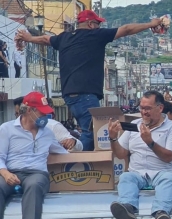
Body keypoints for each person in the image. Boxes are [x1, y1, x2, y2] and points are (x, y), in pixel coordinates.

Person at [15, 10, 164, 151]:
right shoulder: (96, 35)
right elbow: (126, 29)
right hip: (85, 95)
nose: (99, 27)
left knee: (91, 130)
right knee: (94, 131)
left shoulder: (64, 37)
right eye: (98, 24)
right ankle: (80, 163)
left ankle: (80, 159)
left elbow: (45, 39)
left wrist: (29, 38)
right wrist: (151, 24)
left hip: (69, 95)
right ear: (91, 24)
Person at [0, 92, 68, 219]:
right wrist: (5, 173)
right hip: (10, 171)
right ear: (29, 110)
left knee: (34, 185)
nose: (45, 116)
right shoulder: (7, 129)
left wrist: (74, 142)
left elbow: (62, 151)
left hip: (36, 173)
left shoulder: (48, 133)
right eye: (42, 112)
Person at [108, 91, 172, 219]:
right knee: (126, 177)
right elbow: (121, 153)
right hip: (137, 173)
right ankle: (127, 208)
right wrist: (112, 138)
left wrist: (150, 142)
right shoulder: (134, 125)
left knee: (169, 179)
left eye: (147, 108)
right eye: (141, 108)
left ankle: (161, 213)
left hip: (162, 172)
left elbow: (169, 157)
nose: (143, 112)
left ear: (160, 108)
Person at [14, 97, 83, 151]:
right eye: (17, 114)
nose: (19, 117)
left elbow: (78, 146)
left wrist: (72, 142)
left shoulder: (51, 127)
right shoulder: (9, 130)